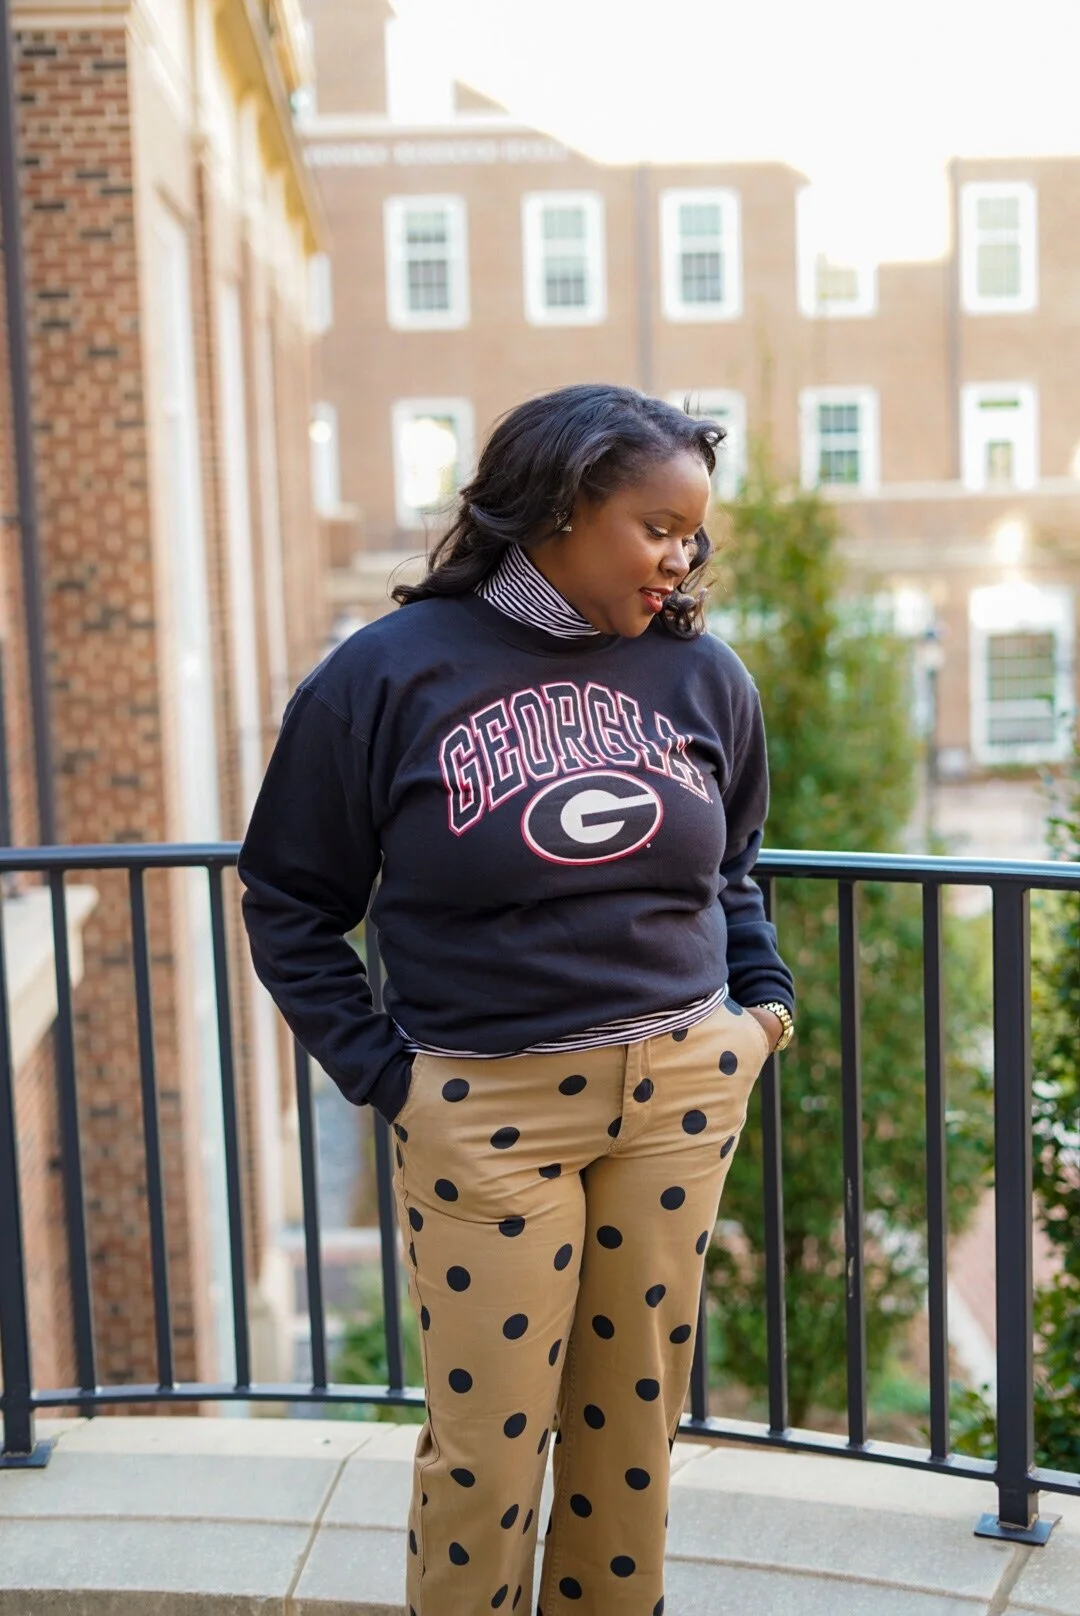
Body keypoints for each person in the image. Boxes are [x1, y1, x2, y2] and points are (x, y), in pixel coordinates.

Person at [238, 383, 795, 1616]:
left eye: (694, 531)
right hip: (487, 1110)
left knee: (630, 1436)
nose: (683, 555)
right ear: (561, 506)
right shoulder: (383, 677)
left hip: (679, 1095)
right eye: (658, 525)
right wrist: (391, 1076)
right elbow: (287, 897)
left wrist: (759, 1009)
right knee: (486, 1449)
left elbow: (734, 865)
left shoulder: (703, 674)